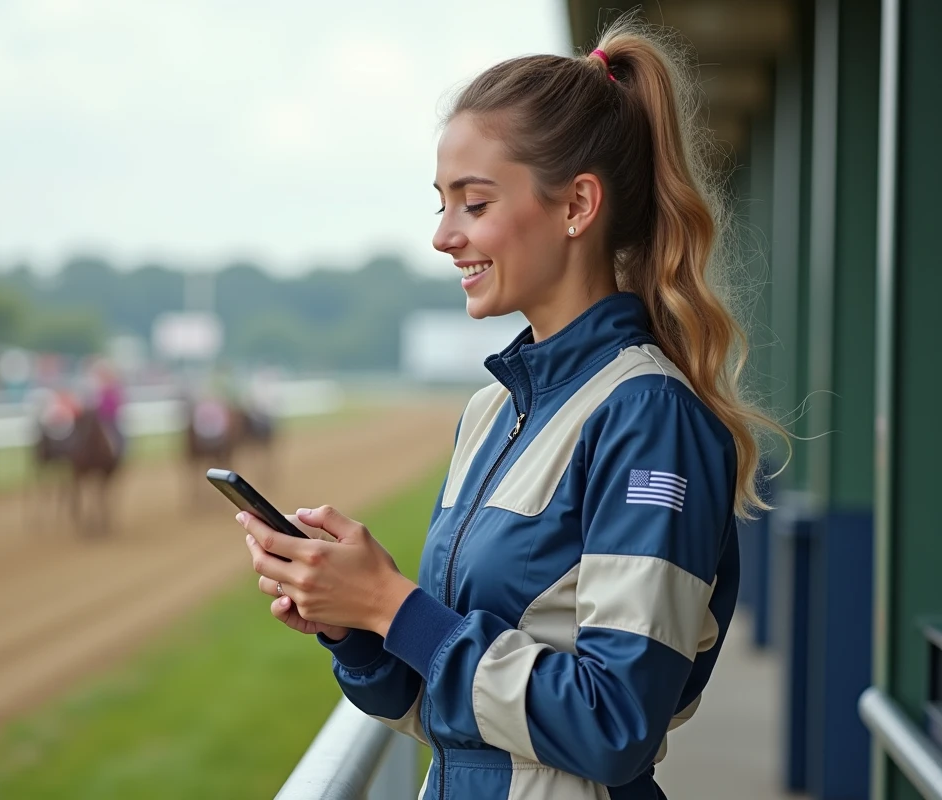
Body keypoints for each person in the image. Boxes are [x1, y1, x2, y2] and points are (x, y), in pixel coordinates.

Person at [236, 16, 788, 800]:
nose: (443, 237)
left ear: (577, 205)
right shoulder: (487, 413)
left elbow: (615, 723)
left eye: (474, 203)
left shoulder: (649, 417)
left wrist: (395, 604)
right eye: (441, 204)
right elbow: (448, 711)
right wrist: (356, 626)